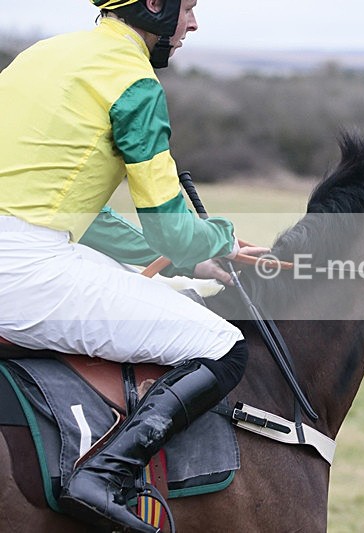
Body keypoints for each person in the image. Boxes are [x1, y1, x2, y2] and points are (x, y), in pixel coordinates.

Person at [0, 1, 266, 531]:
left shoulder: (40, 56)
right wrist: (220, 237)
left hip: (29, 247)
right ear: (155, 5)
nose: (193, 23)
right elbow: (171, 229)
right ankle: (102, 475)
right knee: (223, 346)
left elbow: (71, 208)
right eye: (188, 7)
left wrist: (174, 263)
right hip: (24, 268)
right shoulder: (133, 81)